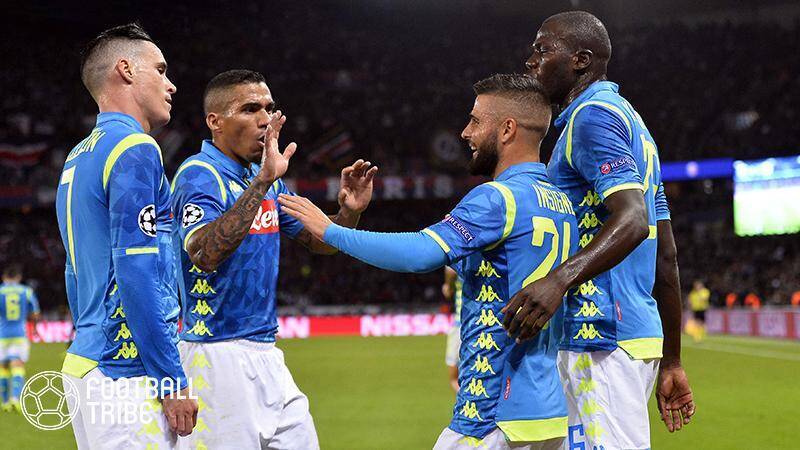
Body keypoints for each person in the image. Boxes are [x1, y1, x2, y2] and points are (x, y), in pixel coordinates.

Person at [279, 74, 576, 450]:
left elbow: (421, 253)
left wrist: (331, 230)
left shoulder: (498, 198)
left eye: (475, 121)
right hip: (546, 415)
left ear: (507, 129)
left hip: (492, 416)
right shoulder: (560, 202)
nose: (465, 132)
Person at [502, 11, 694, 448]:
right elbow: (666, 253)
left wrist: (558, 280)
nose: (531, 60)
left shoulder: (592, 119)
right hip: (631, 335)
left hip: (600, 335)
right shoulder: (635, 126)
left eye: (542, 49)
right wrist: (672, 359)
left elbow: (633, 219)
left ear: (581, 60)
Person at [170, 69, 376, 450]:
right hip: (215, 355)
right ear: (215, 121)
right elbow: (204, 254)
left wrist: (349, 213)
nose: (265, 119)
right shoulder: (199, 174)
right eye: (250, 109)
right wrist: (262, 182)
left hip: (266, 351)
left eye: (269, 107)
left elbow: (319, 242)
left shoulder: (264, 177)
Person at [55, 23, 197, 449]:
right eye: (161, 70)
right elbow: (137, 269)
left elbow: (74, 270)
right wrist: (171, 380)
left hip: (85, 362)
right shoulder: (136, 148)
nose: (171, 85)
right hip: (127, 374)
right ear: (126, 70)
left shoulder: (78, 156)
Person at [0, 264, 40, 412]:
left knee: (3, 367)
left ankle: (4, 402)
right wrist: (34, 328)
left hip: (2, 335)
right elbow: (35, 312)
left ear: (4, 277)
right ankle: (15, 399)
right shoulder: (26, 291)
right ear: (18, 277)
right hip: (19, 335)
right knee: (17, 365)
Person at [442, 266, 463, 393]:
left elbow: (450, 269)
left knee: (454, 378)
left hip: (461, 325)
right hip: (484, 323)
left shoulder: (462, 261)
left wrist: (448, 285)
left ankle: (468, 402)